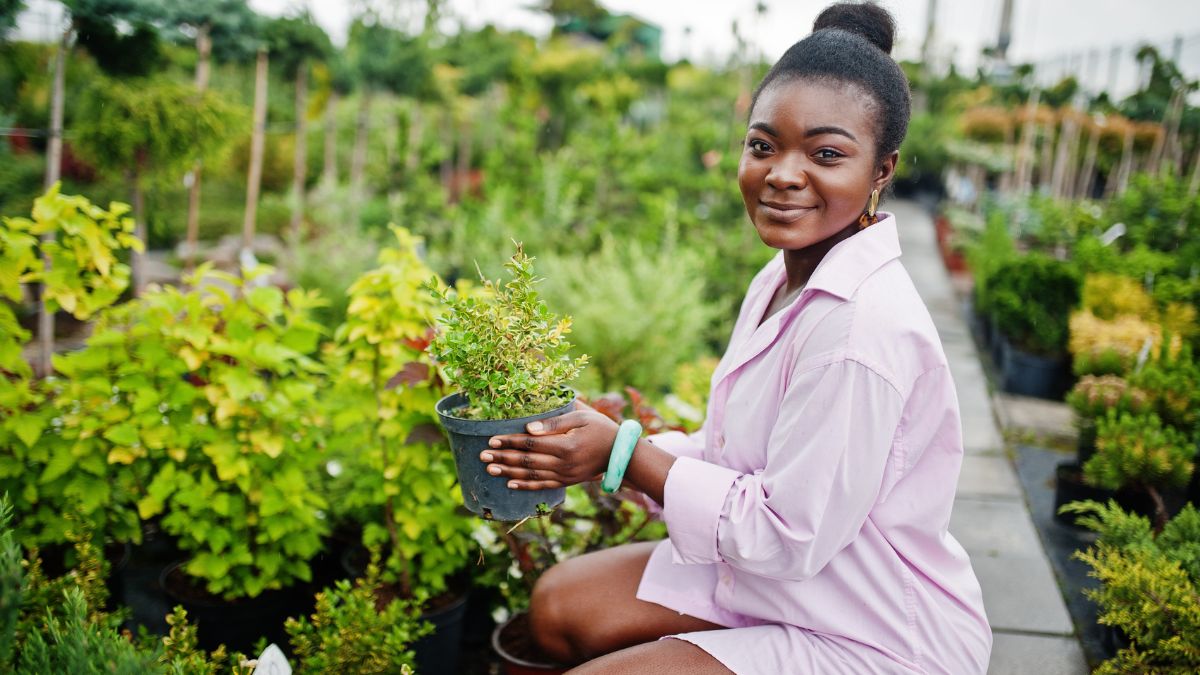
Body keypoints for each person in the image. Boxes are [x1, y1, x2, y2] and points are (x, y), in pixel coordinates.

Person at [480, 3, 992, 673]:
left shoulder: (861, 331)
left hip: (871, 626)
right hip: (793, 579)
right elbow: (737, 456)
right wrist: (604, 448)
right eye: (763, 145)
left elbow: (784, 534)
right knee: (557, 609)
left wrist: (628, 456)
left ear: (882, 170)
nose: (782, 172)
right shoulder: (781, 278)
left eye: (826, 153)